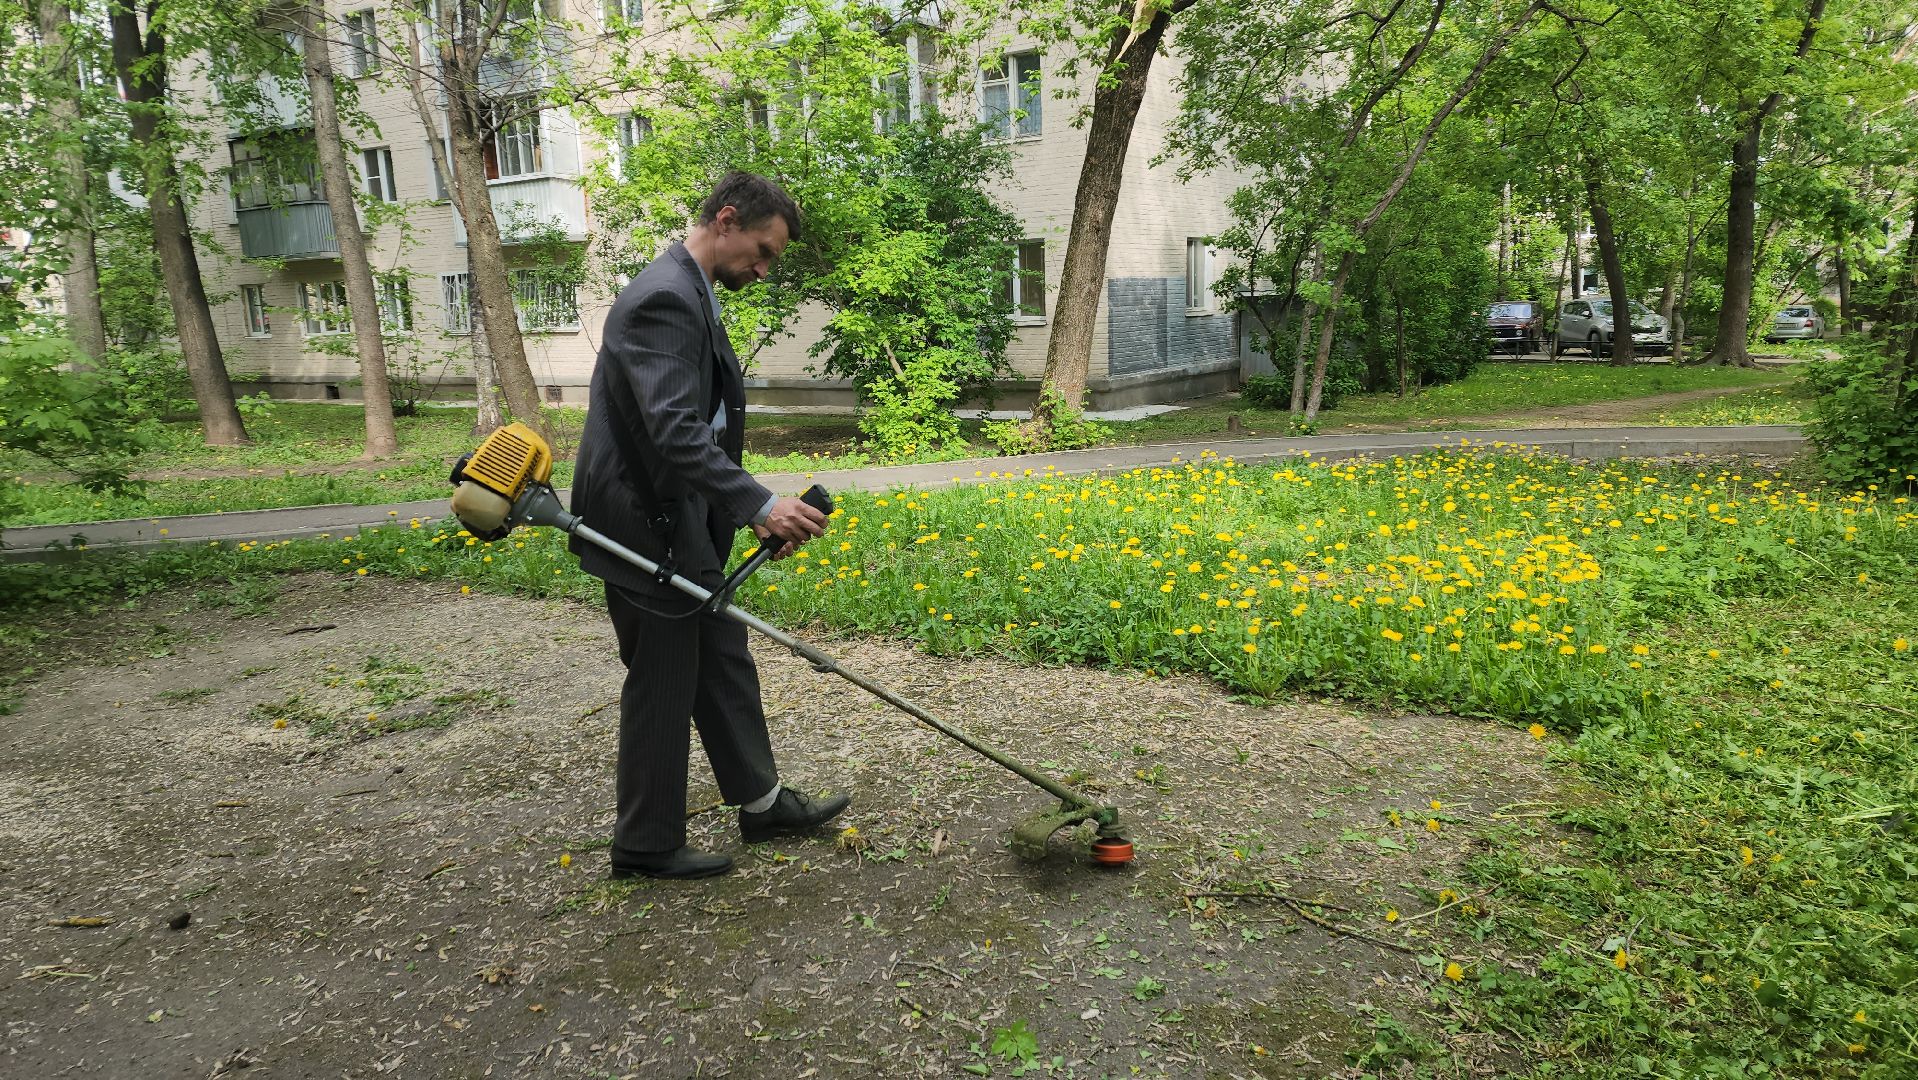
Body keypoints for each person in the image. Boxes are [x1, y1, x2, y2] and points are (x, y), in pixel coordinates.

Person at [570, 172, 845, 879]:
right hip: (639, 525)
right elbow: (673, 430)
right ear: (726, 220)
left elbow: (701, 428)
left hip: (678, 517)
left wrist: (735, 512)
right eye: (762, 251)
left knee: (720, 652)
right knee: (664, 675)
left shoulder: (692, 292)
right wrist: (759, 504)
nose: (763, 267)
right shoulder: (663, 296)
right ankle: (645, 843)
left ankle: (761, 801)